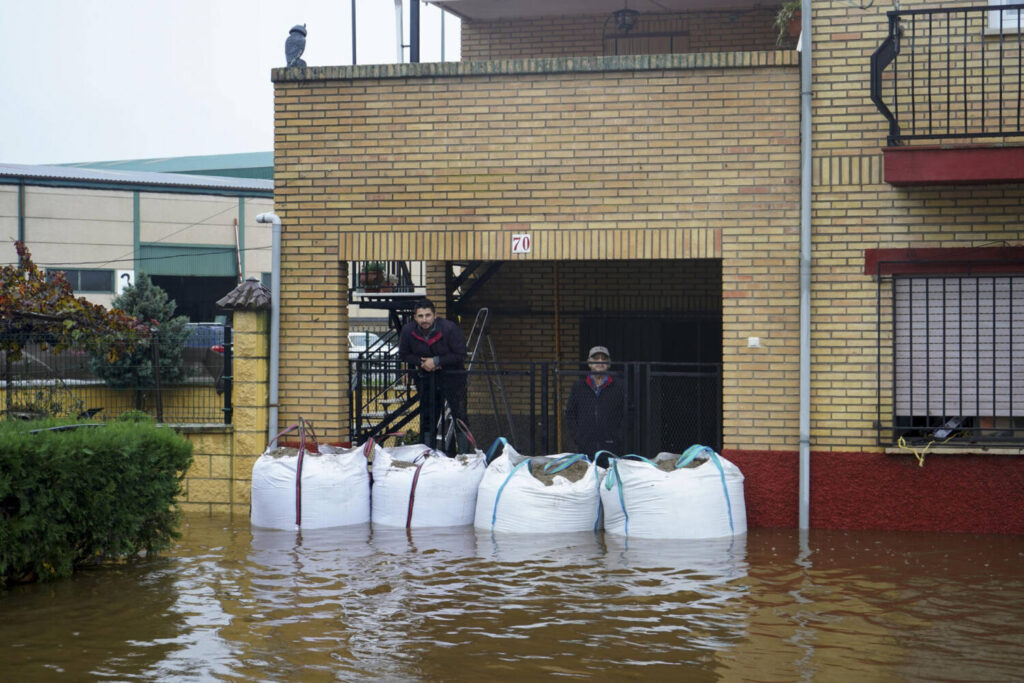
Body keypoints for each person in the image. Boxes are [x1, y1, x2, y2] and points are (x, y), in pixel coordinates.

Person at [398, 298, 470, 453]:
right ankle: (426, 454)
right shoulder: (408, 331)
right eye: (421, 316)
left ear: (435, 315)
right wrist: (421, 362)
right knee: (427, 417)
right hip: (425, 378)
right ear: (415, 317)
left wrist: (437, 361)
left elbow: (461, 354)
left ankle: (466, 456)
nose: (424, 319)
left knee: (460, 416)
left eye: (428, 315)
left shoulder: (450, 328)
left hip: (453, 378)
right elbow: (404, 354)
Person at [564, 345, 626, 468]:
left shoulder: (619, 386)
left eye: (604, 359)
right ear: (589, 363)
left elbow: (628, 412)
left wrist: (618, 435)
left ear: (609, 364)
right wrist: (578, 436)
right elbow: (570, 413)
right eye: (596, 359)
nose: (600, 362)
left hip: (611, 447)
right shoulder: (579, 387)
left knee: (610, 481)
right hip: (586, 446)